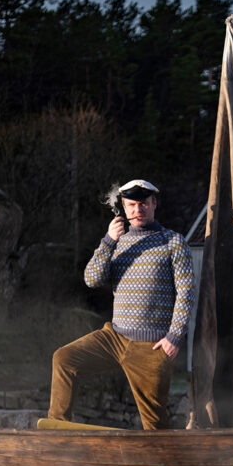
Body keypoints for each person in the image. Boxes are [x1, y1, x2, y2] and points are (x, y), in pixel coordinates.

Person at [48, 179, 195, 429]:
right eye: (131, 205)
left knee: (155, 426)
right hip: (114, 337)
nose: (138, 210)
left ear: (154, 204)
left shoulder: (173, 242)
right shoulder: (116, 242)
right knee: (64, 359)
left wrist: (174, 336)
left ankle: (163, 454)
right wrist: (108, 240)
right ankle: (57, 430)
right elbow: (92, 279)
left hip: (152, 345)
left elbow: (186, 292)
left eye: (143, 204)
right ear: (124, 208)